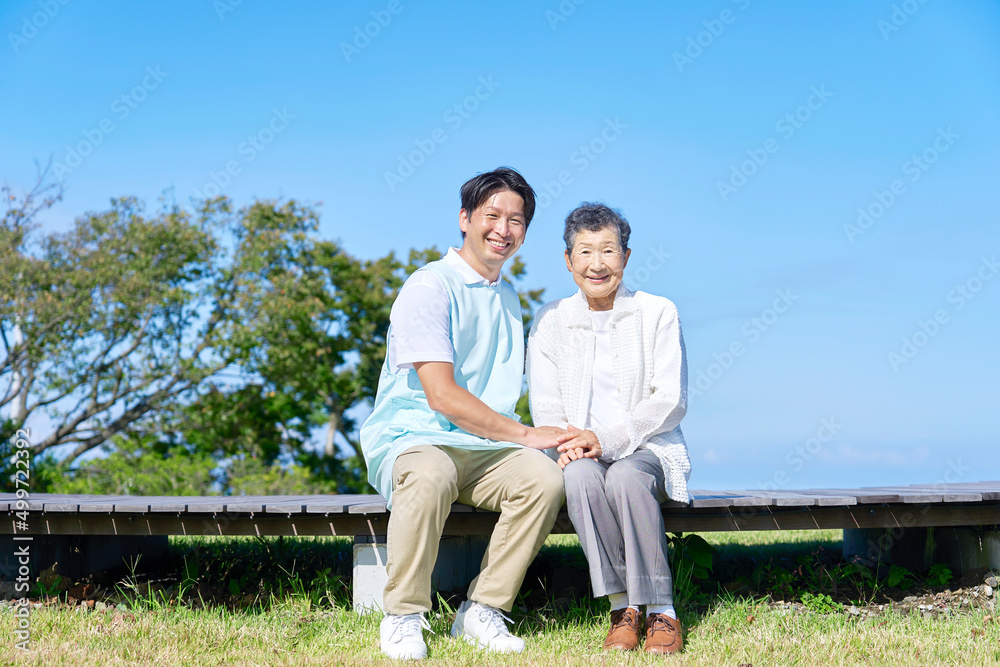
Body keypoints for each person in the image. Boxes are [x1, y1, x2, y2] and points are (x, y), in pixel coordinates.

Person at [360, 167, 569, 661]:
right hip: (415, 438)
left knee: (543, 480)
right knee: (431, 473)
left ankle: (482, 610)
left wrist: (553, 438)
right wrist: (527, 434)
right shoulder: (430, 286)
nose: (503, 229)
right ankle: (405, 616)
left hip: (483, 448)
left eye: (515, 220)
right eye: (491, 215)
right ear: (464, 219)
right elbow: (443, 396)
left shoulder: (509, 298)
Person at [526, 202, 691, 655]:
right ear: (568, 260)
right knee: (579, 477)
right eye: (584, 252)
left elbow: (670, 400)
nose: (596, 264)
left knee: (624, 474)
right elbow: (546, 404)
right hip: (580, 451)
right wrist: (571, 442)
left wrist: (609, 439)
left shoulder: (658, 312)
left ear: (626, 257)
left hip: (649, 448)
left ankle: (661, 610)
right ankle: (623, 608)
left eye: (608, 251)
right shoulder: (550, 320)